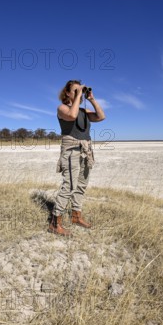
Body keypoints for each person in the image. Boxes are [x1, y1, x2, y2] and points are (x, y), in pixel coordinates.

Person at [49, 79, 106, 236]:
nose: (79, 93)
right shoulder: (62, 108)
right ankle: (55, 223)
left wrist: (91, 99)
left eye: (79, 91)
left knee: (81, 185)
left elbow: (101, 117)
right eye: (75, 90)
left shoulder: (84, 111)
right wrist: (79, 94)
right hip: (72, 150)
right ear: (67, 93)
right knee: (70, 186)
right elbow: (72, 115)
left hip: (85, 150)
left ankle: (76, 216)